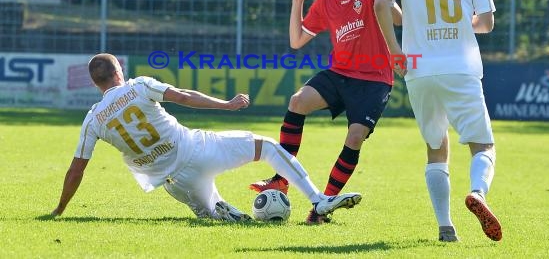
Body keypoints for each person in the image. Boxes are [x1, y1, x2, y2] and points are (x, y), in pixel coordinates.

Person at [50, 53, 362, 222]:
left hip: (174, 184)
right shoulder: (138, 85)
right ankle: (318, 201)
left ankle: (216, 209)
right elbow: (183, 97)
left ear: (95, 84)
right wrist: (225, 105)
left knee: (212, 215)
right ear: (119, 72)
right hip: (196, 149)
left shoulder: (93, 119)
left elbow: (77, 169)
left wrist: (59, 210)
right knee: (266, 147)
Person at [374, 0, 502, 242]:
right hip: (460, 67)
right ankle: (477, 192)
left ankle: (446, 228)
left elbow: (382, 4)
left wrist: (394, 50)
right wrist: (463, 24)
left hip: (418, 67)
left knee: (435, 146)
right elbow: (486, 23)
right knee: (483, 146)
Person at [249, 0, 402, 224]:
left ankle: (321, 207)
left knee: (355, 138)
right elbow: (296, 41)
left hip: (374, 80)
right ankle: (281, 179)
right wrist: (298, 1)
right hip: (340, 73)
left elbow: (399, 19)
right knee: (297, 101)